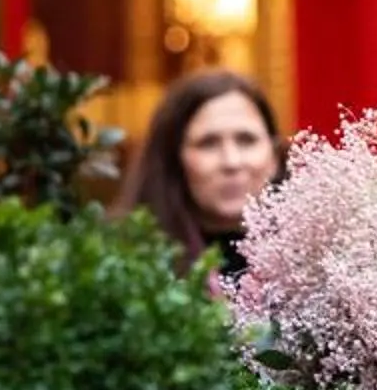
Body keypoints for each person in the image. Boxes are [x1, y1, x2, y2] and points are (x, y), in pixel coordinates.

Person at [119, 70, 283, 279]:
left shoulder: (313, 259)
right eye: (208, 143)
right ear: (174, 158)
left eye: (246, 140)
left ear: (275, 156)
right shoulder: (129, 260)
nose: (231, 162)